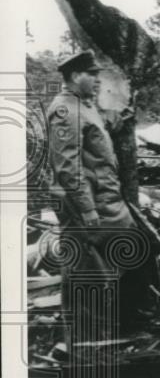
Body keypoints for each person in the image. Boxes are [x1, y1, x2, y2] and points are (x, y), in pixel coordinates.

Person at [46, 50, 154, 341]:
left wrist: (120, 120)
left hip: (110, 206)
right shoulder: (64, 110)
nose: (96, 80)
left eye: (97, 74)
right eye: (90, 75)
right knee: (87, 277)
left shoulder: (84, 106)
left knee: (132, 258)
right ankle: (87, 350)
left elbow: (97, 134)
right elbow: (68, 167)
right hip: (88, 209)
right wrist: (87, 209)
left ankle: (122, 332)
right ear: (72, 77)